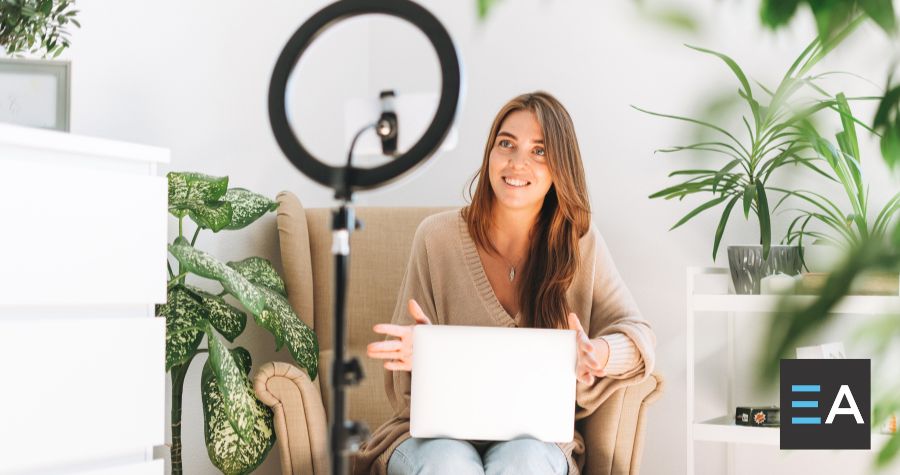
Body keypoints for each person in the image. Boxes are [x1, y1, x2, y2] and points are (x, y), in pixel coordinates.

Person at [352, 91, 655, 475]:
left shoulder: (578, 243)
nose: (517, 162)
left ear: (562, 166)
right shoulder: (436, 238)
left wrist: (598, 353)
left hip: (534, 443)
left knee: (524, 463)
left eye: (539, 151)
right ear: (489, 154)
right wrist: (424, 357)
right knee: (447, 465)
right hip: (433, 440)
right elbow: (403, 386)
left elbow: (640, 338)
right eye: (506, 144)